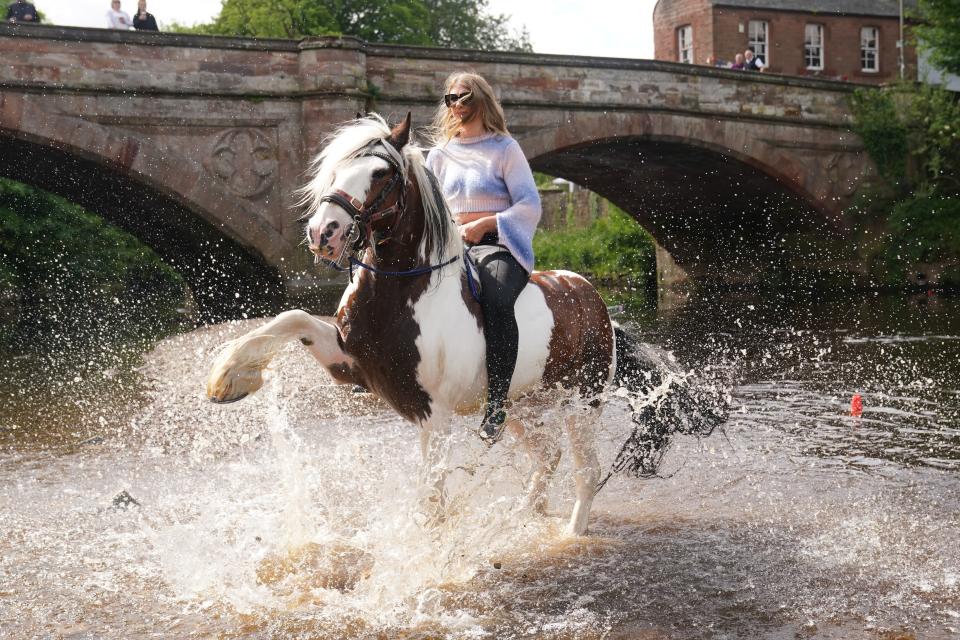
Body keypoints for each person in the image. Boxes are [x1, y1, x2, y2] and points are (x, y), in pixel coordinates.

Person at [426, 72, 542, 444]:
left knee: (495, 297)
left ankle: (496, 403)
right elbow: (430, 210)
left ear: (481, 101)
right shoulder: (439, 155)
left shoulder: (504, 148)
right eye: (450, 100)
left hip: (499, 246)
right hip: (451, 249)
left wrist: (486, 223)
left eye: (464, 99)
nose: (457, 106)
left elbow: (530, 203)